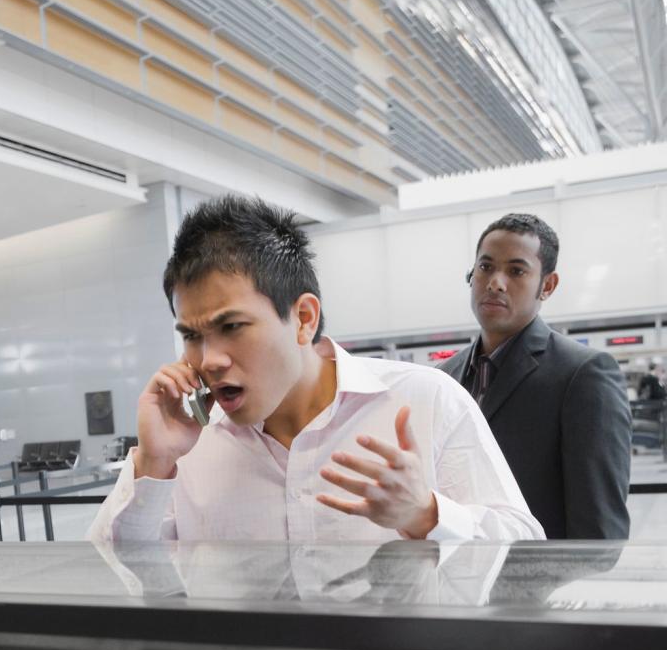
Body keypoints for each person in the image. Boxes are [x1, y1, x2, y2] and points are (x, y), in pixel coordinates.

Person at [88, 196, 543, 544]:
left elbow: (525, 554)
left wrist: (426, 515)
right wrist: (154, 464)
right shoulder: (186, 444)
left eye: (231, 326)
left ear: (303, 318)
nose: (208, 360)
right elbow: (116, 578)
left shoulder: (425, 400)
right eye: (191, 335)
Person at [438, 213, 630, 540]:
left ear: (548, 285)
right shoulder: (444, 378)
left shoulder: (583, 375)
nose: (496, 282)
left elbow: (599, 535)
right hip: (454, 583)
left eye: (516, 271)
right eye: (485, 267)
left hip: (539, 585)